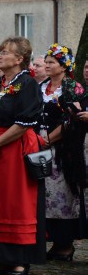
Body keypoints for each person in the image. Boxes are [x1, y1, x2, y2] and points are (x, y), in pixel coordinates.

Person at [0, 36, 44, 275]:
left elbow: (25, 122)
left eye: (5, 52)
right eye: (0, 51)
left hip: (15, 147)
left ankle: (18, 259)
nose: (0, 55)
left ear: (19, 59)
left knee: (16, 202)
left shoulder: (28, 85)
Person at [39, 44, 87, 261]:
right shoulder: (41, 86)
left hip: (62, 150)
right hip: (39, 146)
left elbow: (72, 119)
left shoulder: (72, 88)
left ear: (64, 66)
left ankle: (64, 244)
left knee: (62, 198)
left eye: (52, 62)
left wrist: (48, 139)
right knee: (43, 196)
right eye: (46, 62)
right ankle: (48, 239)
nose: (47, 65)